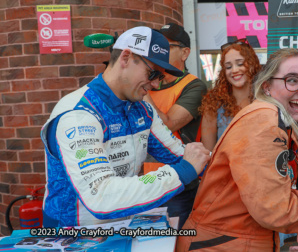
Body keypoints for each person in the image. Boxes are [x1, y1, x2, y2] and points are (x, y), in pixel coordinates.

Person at [40, 26, 210, 227]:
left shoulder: (143, 109)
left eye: (160, 77)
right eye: (153, 73)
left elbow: (178, 154)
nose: (155, 85)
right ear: (126, 58)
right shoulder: (78, 114)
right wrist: (182, 171)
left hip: (120, 229)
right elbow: (101, 197)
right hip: (72, 235)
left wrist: (213, 161)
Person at [176, 48, 298, 252]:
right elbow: (277, 210)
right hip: (220, 245)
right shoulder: (264, 120)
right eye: (292, 80)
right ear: (267, 86)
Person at [200, 39, 298, 152]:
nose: (234, 70)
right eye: (228, 66)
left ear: (252, 64)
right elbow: (209, 154)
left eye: (240, 63)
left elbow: (293, 129)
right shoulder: (213, 106)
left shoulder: (270, 99)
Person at [142, 23, 207, 229]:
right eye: (154, 45)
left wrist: (142, 89)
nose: (157, 50)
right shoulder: (145, 82)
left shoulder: (194, 86)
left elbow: (167, 124)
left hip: (178, 182)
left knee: (174, 242)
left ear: (185, 52)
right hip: (142, 182)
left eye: (165, 46)